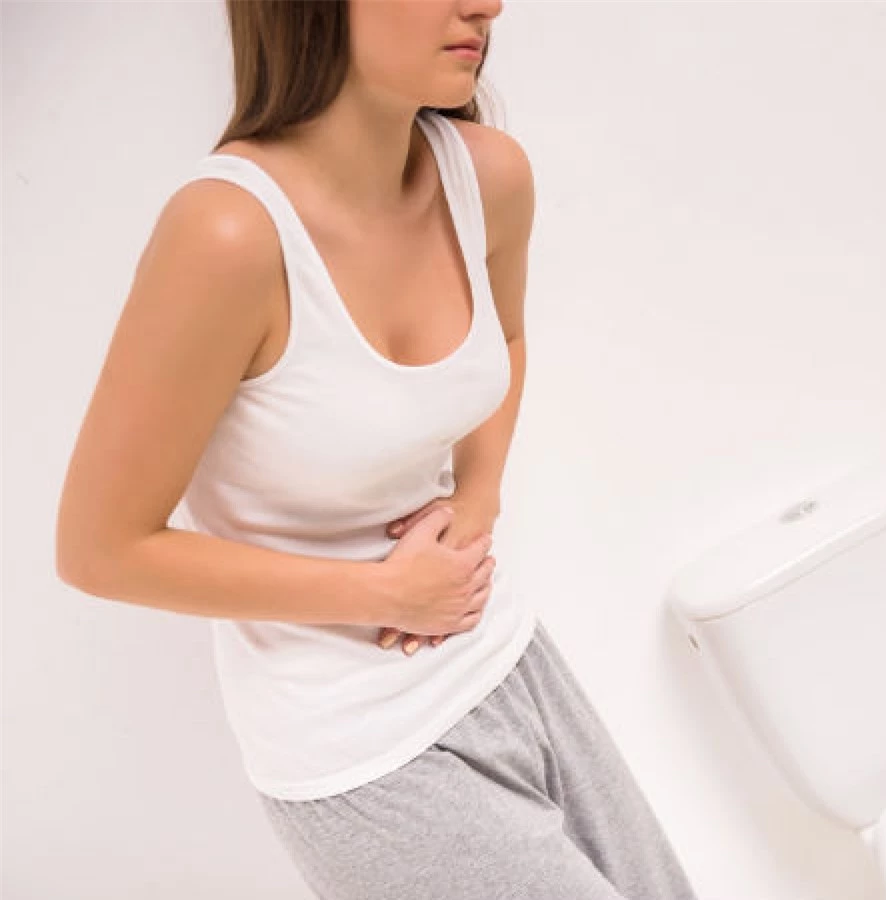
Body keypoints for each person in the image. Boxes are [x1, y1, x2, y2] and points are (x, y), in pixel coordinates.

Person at [54, 1, 699, 897]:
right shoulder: (228, 236)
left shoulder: (489, 177)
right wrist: (381, 593)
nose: (488, 5)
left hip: (507, 659)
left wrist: (478, 498)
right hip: (359, 752)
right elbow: (100, 550)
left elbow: (506, 339)